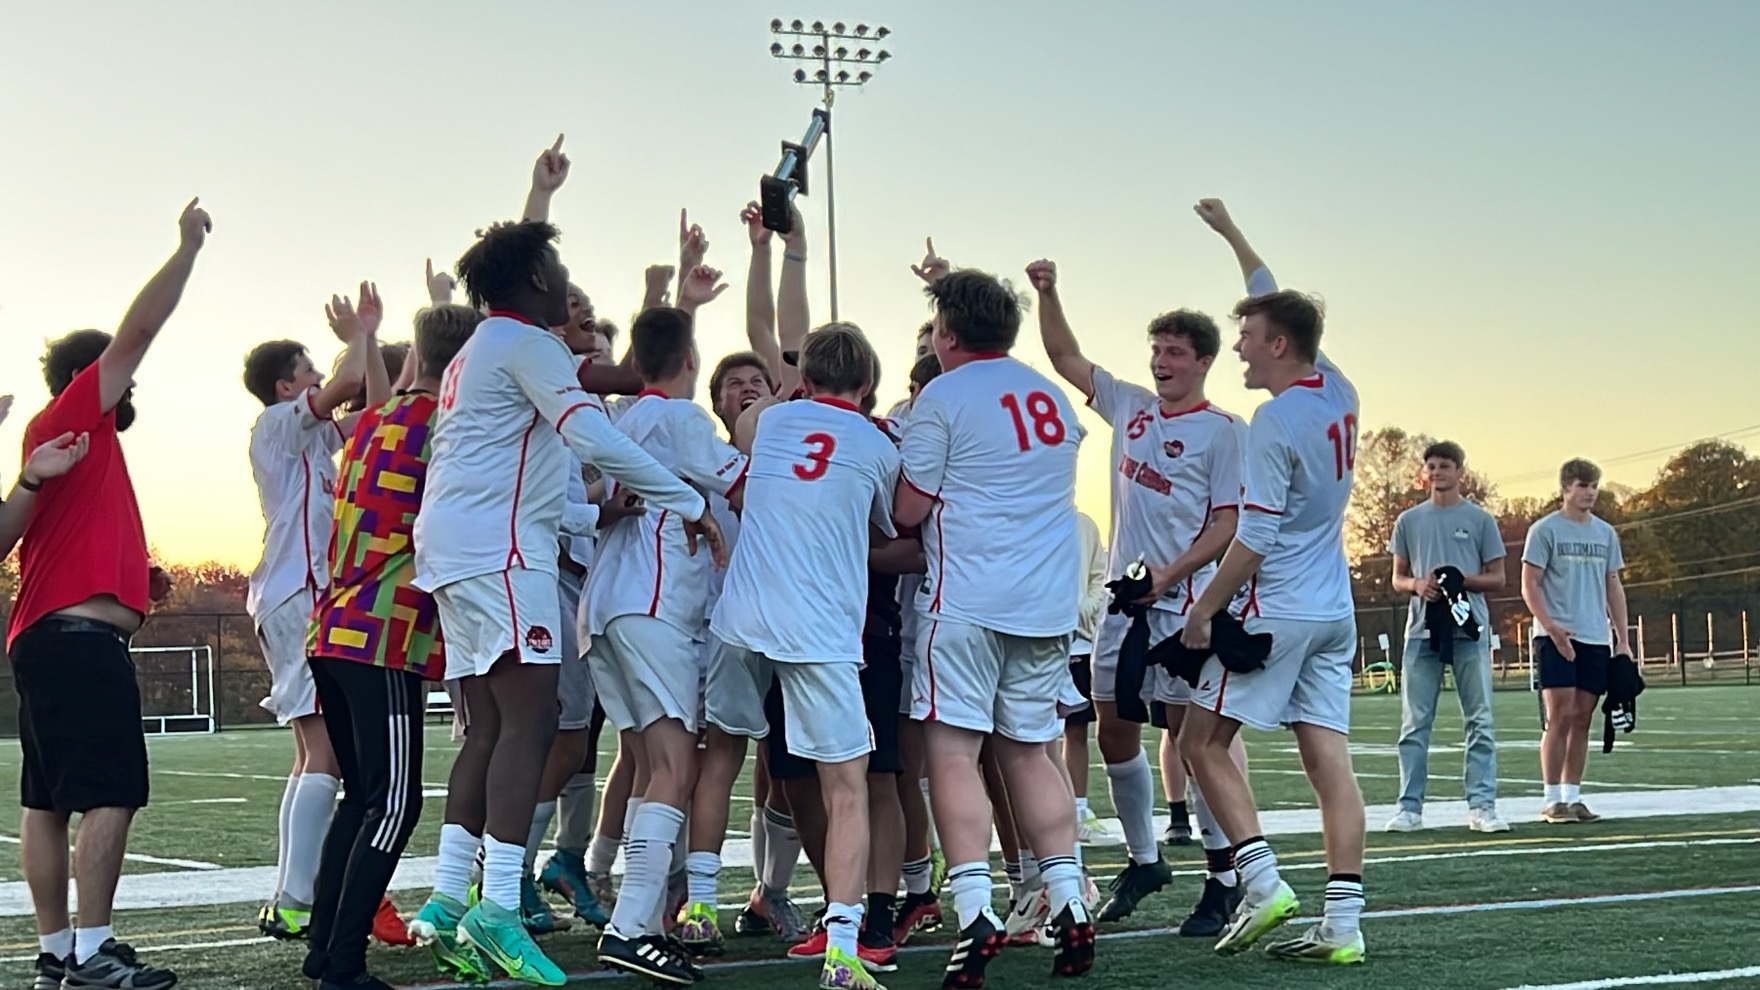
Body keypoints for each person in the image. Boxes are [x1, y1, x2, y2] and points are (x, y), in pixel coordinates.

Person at [406, 217, 718, 987]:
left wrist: (592, 512)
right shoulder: (527, 344)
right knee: (535, 721)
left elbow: (517, 470)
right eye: (558, 265)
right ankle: (498, 907)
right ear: (539, 278)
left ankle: (446, 899)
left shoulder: (478, 349)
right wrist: (685, 500)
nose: (568, 279)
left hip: (455, 548)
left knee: (487, 727)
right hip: (501, 554)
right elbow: (592, 439)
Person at [7, 198, 210, 990]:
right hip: (74, 645)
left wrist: (134, 581)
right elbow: (140, 330)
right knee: (112, 791)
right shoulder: (74, 418)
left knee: (48, 801)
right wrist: (186, 249)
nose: (130, 380)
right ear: (87, 379)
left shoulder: (71, 446)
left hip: (50, 638)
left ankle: (59, 953)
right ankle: (94, 951)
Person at [1028, 254, 1248, 925]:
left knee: (1191, 739)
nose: (1160, 362)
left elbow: (1228, 523)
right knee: (1113, 729)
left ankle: (1222, 874)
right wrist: (1048, 292)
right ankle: (1145, 858)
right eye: (1156, 350)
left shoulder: (1224, 431)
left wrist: (1170, 577)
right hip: (1125, 604)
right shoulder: (1131, 406)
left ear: (1202, 361)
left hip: (1186, 606)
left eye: (1174, 352)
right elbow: (1065, 357)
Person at [894, 268, 1096, 986]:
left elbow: (909, 509)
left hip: (969, 597)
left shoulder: (943, 396)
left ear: (947, 334)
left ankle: (975, 908)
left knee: (952, 752)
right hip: (1044, 601)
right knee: (1031, 752)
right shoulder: (1049, 395)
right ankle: (1067, 896)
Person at [1179, 198, 1367, 965]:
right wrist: (1231, 234)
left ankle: (1261, 883)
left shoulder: (1274, 421)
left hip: (1278, 608)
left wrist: (1203, 608)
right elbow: (1271, 292)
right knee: (1330, 763)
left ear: (1280, 345)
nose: (1239, 349)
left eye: (1249, 338)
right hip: (1333, 610)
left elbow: (1254, 537)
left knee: (1199, 742)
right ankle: (1344, 926)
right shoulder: (1339, 388)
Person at [698, 323, 902, 990]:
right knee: (848, 787)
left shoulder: (771, 422)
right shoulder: (878, 445)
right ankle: (842, 945)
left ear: (804, 380)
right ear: (867, 385)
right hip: (820, 630)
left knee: (720, 755)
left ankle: (698, 902)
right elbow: (888, 526)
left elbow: (748, 421)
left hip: (743, 615)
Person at [299, 303, 478, 990]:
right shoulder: (449, 426)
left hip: (334, 627)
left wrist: (369, 339)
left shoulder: (376, 421)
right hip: (386, 632)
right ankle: (343, 962)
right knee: (394, 804)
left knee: (361, 799)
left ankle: (324, 948)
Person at [580, 298, 749, 984]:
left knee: (653, 766)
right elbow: (744, 483)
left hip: (605, 607)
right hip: (654, 604)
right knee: (676, 765)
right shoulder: (681, 418)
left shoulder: (622, 418)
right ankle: (628, 927)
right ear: (690, 360)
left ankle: (644, 922)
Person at [242, 283, 387, 937]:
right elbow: (349, 382)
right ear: (285, 387)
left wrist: (370, 342)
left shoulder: (312, 440)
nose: (318, 381)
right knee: (325, 750)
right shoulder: (278, 424)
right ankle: (298, 900)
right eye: (307, 372)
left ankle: (290, 897)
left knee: (310, 753)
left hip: (298, 594)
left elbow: (376, 411)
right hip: (296, 592)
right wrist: (357, 336)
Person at [1386, 441, 1510, 833]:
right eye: (1432, 466)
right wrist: (1417, 585)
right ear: (1425, 473)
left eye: (1445, 465)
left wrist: (1459, 580)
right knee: (1414, 724)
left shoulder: (1479, 520)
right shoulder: (1408, 521)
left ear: (1460, 472)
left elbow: (1498, 577)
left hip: (1468, 631)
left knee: (1479, 719)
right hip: (1421, 633)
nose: (1437, 472)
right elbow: (1397, 577)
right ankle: (1409, 808)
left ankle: (1482, 806)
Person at [1521, 458, 1628, 824]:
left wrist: (1622, 640)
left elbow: (1613, 585)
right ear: (1566, 488)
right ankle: (1552, 799)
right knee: (1560, 716)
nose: (1590, 492)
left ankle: (1573, 796)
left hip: (1595, 636)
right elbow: (1530, 584)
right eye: (1583, 485)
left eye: (1594, 485)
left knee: (1583, 717)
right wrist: (1551, 628)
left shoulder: (1605, 534)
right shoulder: (1544, 530)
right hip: (1556, 635)